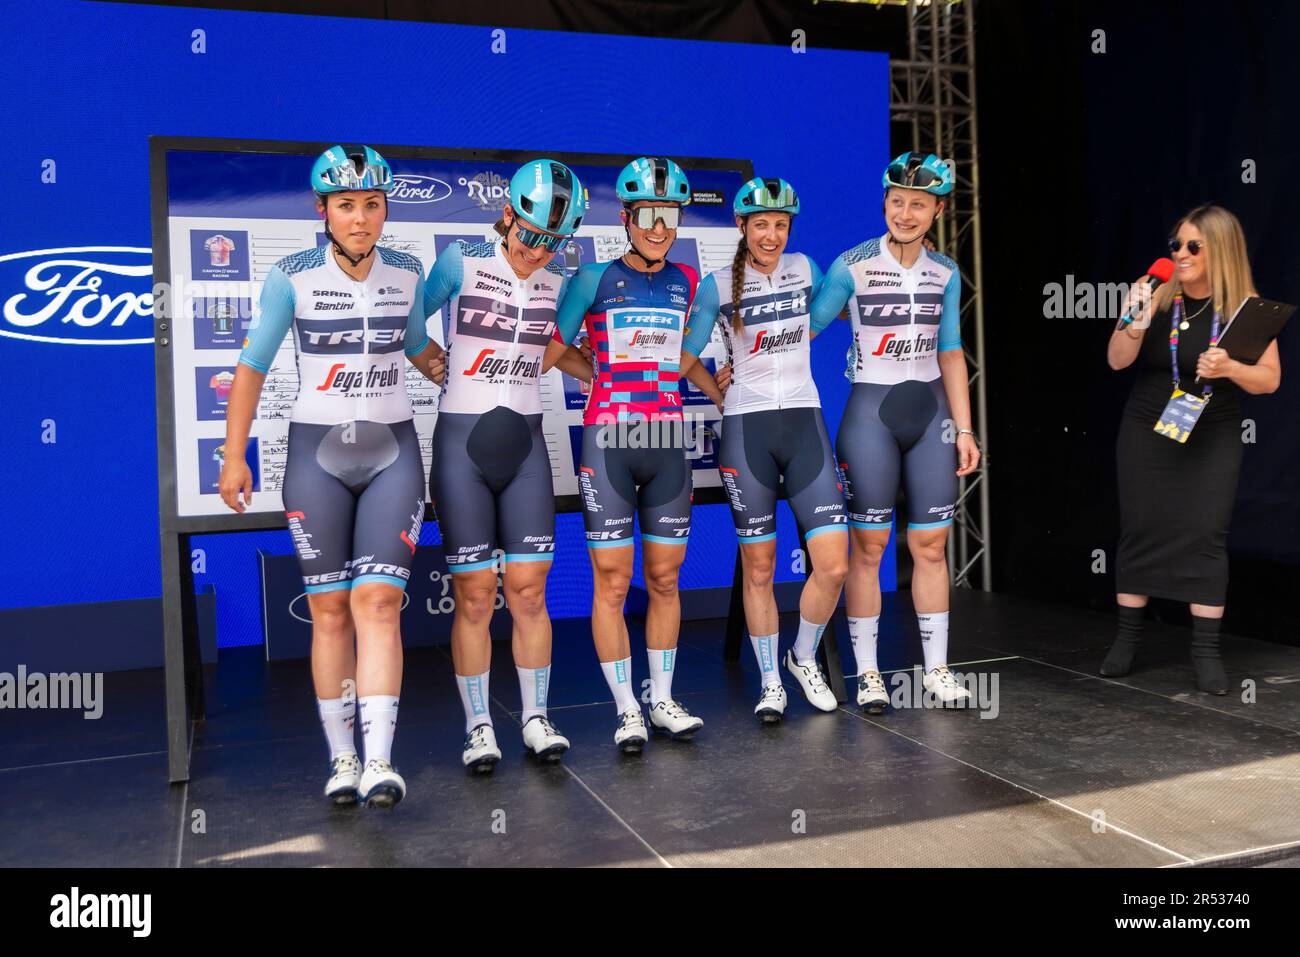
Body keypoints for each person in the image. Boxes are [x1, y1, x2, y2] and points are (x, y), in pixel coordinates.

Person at [219, 145, 443, 808]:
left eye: (372, 204)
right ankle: (341, 757)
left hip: (392, 451)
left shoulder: (407, 269)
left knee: (378, 603)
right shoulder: (289, 276)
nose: (360, 217)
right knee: (328, 610)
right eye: (346, 205)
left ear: (385, 208)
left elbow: (412, 343)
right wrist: (235, 455)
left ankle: (378, 762)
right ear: (322, 210)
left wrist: (459, 371)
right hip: (316, 452)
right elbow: (252, 366)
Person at [421, 159, 593, 771]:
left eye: (552, 242)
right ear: (506, 215)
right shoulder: (460, 261)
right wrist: (428, 361)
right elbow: (404, 317)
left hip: (526, 446)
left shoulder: (558, 280)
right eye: (528, 235)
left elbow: (556, 350)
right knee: (473, 598)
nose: (535, 251)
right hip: (461, 446)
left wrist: (607, 375)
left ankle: (537, 718)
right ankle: (478, 727)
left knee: (527, 592)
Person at [554, 156, 724, 752]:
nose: (659, 227)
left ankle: (662, 697)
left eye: (670, 216)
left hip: (665, 442)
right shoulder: (592, 278)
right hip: (609, 440)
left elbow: (685, 355)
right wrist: (600, 372)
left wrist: (710, 386)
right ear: (626, 217)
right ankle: (626, 708)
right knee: (611, 579)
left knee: (665, 578)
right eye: (648, 215)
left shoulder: (689, 283)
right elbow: (553, 348)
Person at [807, 152, 981, 712]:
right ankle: (869, 673)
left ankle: (937, 670)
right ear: (884, 202)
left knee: (930, 545)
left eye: (918, 204)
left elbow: (952, 352)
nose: (905, 213)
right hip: (870, 415)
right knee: (869, 547)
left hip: (931, 413)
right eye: (897, 201)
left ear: (937, 211)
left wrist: (965, 430)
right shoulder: (851, 266)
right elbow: (804, 329)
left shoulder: (947, 272)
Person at [681, 177, 849, 723]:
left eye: (780, 225)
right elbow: (683, 356)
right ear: (741, 227)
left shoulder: (806, 268)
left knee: (833, 563)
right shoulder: (715, 286)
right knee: (759, 568)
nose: (771, 235)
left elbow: (829, 315)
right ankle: (771, 681)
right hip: (746, 429)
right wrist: (716, 388)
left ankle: (802, 658)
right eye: (761, 225)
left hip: (805, 422)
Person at [1102, 205, 1280, 694]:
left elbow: (1269, 380)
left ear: (1219, 250)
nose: (1180, 254)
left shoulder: (1246, 306)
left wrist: (1231, 370)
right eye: (1176, 245)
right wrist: (1133, 319)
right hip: (1146, 425)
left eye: (1193, 246)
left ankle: (1205, 652)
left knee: (1205, 532)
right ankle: (1126, 639)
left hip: (1213, 428)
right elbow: (1117, 361)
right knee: (1141, 526)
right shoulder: (1156, 296)